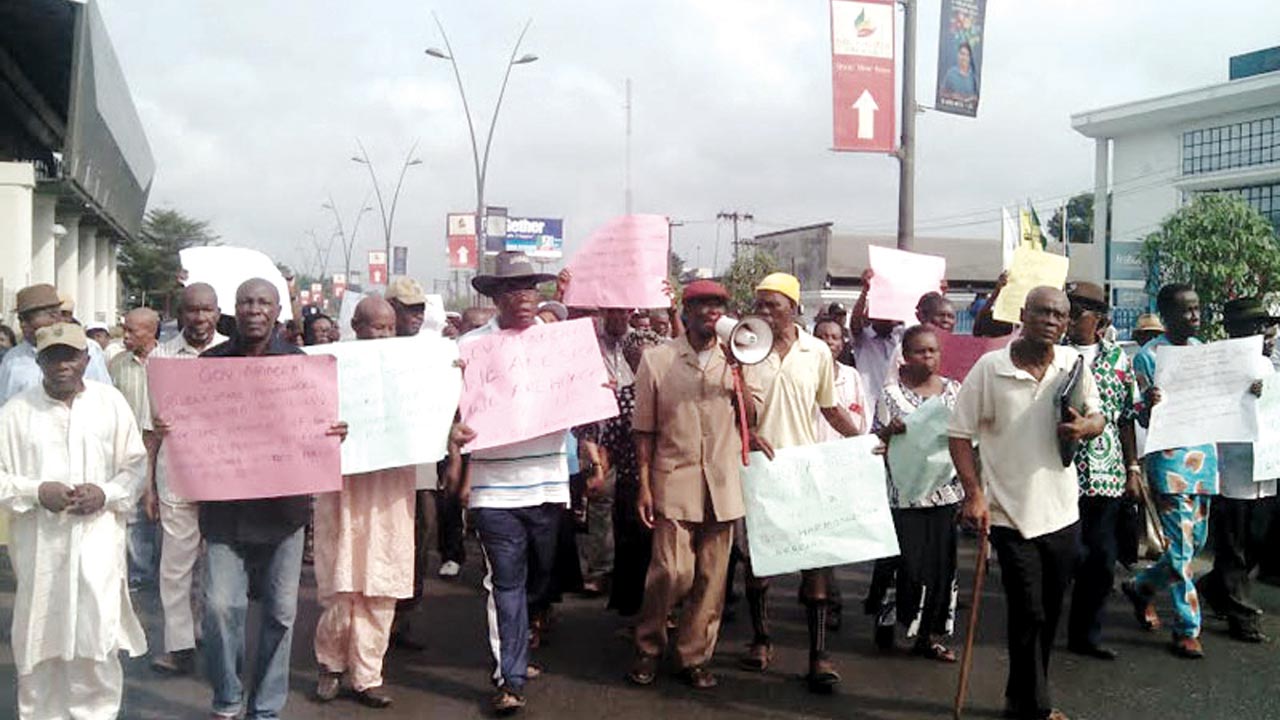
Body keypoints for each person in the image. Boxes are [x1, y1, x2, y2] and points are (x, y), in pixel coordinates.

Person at [178, 278, 347, 720]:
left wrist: (333, 432)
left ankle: (267, 707)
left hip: (284, 512)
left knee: (281, 615)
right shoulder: (209, 365)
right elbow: (189, 427)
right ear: (233, 309)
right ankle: (228, 698)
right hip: (224, 512)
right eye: (246, 302)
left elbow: (320, 427)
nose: (254, 309)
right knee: (219, 608)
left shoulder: (301, 365)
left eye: (263, 302)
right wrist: (171, 425)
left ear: (277, 311)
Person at [949, 286, 1104, 720]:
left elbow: (1098, 416)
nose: (1051, 321)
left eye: (1059, 315)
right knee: (1029, 610)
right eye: (1042, 312)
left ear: (1068, 321)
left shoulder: (1073, 366)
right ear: (1023, 314)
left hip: (1061, 511)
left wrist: (1085, 428)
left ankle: (1021, 697)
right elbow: (959, 435)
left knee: (1049, 613)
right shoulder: (990, 367)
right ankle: (1036, 707)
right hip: (1007, 512)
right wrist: (974, 494)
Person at [0, 322, 148, 718]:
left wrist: (106, 493)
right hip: (40, 549)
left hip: (97, 546)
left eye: (70, 355)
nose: (62, 364)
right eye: (52, 356)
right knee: (38, 644)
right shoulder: (15, 413)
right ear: (39, 359)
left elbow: (135, 467)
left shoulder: (110, 403)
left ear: (86, 357)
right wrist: (36, 492)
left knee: (97, 639)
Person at [450, 252, 565, 714]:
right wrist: (453, 432)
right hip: (494, 488)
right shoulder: (470, 348)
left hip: (547, 483)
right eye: (512, 290)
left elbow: (582, 396)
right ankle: (510, 677)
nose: (524, 297)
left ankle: (522, 642)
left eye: (530, 288)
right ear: (495, 297)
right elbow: (451, 409)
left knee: (540, 577)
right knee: (506, 584)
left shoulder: (559, 344)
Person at [739, 273, 865, 693]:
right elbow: (731, 408)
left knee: (815, 568)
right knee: (759, 567)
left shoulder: (817, 353)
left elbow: (829, 409)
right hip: (758, 472)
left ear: (793, 308)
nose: (763, 312)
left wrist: (863, 443)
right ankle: (761, 639)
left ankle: (819, 656)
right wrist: (748, 435)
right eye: (759, 305)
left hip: (806, 471)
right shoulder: (743, 349)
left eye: (772, 305)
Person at [627, 280, 752, 690]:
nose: (711, 312)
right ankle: (649, 647)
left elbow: (752, 416)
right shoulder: (658, 359)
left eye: (718, 305)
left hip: (722, 484)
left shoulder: (738, 360)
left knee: (712, 580)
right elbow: (643, 430)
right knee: (671, 572)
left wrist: (739, 371)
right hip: (674, 480)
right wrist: (644, 485)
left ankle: (693, 656)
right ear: (687, 309)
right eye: (702, 304)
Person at [312, 297, 418, 709]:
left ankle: (368, 674)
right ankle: (331, 663)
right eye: (376, 327)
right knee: (340, 579)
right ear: (355, 326)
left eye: (390, 327)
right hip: (343, 482)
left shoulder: (408, 368)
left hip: (391, 486)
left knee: (382, 578)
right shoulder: (333, 367)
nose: (385, 334)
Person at [1121, 283, 1235, 659]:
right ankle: (1187, 629)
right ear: (1166, 314)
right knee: (1182, 549)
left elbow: (1221, 399)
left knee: (1195, 543)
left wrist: (1247, 389)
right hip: (1169, 461)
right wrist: (1150, 403)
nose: (1194, 316)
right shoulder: (1149, 357)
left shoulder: (1204, 352)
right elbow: (1137, 413)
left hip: (1205, 459)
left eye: (1198, 309)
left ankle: (1141, 587)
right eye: (1186, 310)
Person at [870, 324, 964, 661]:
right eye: (920, 351)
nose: (928, 357)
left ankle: (928, 636)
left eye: (933, 350)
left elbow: (966, 438)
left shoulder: (955, 391)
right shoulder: (891, 396)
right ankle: (887, 624)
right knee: (902, 565)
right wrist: (889, 432)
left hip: (945, 493)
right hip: (904, 495)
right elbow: (875, 443)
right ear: (905, 357)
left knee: (940, 567)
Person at [1060, 282, 1142, 662]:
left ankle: (1086, 635)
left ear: (1101, 320)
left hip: (1106, 475)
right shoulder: (1052, 354)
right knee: (1066, 555)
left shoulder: (1118, 360)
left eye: (1080, 311)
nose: (1071, 318)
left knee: (1102, 560)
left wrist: (1132, 468)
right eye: (1068, 309)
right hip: (1057, 471)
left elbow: (1126, 418)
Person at [147, 283, 227, 677]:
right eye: (192, 310)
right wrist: (148, 485)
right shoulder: (160, 358)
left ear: (217, 311)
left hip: (226, 478)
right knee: (176, 567)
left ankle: (215, 637)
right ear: (181, 313)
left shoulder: (235, 353)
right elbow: (151, 431)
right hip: (175, 476)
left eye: (207, 310)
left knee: (221, 568)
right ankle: (179, 645)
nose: (200, 318)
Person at [1196, 298, 1276, 644]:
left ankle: (1213, 588)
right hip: (1232, 469)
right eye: (1250, 326)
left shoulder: (1268, 364)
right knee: (1233, 546)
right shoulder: (1218, 364)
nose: (1258, 331)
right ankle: (1242, 616)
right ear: (1232, 330)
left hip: (1267, 467)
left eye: (1261, 325)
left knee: (1257, 543)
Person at [384, 276, 435, 650]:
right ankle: (378, 619)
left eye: (419, 308)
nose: (416, 315)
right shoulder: (367, 352)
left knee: (422, 535)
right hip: (380, 466)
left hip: (420, 463)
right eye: (408, 308)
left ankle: (403, 615)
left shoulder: (430, 352)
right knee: (384, 540)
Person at [606, 330, 666, 618]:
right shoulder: (622, 398)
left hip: (669, 481)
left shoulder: (672, 395)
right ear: (629, 363)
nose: (643, 365)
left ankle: (666, 611)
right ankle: (638, 615)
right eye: (636, 360)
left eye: (649, 359)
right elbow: (612, 443)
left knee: (664, 553)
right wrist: (598, 470)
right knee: (634, 551)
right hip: (631, 483)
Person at [109, 307, 163, 593]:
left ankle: (166, 570)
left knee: (163, 509)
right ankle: (140, 572)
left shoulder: (168, 361)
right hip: (129, 448)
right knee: (134, 513)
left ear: (152, 331)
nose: (126, 335)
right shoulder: (117, 364)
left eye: (133, 330)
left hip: (165, 448)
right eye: (124, 329)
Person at [0, 284, 111, 404]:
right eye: (20, 319)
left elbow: (104, 397)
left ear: (54, 316)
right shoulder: (13, 358)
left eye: (28, 319)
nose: (23, 325)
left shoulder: (87, 348)